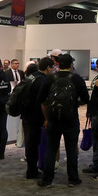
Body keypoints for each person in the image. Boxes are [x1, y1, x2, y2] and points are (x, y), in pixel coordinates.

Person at [37, 53, 89, 188]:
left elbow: (41, 100)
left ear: (58, 65)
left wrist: (47, 118)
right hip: (71, 119)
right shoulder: (77, 79)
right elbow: (85, 99)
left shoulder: (50, 78)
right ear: (71, 65)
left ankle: (47, 180)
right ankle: (73, 179)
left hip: (53, 119)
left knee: (51, 149)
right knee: (71, 149)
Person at [22, 57, 54, 179]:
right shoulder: (44, 81)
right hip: (37, 116)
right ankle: (32, 170)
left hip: (27, 115)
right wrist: (46, 118)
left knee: (30, 143)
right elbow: (43, 101)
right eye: (52, 67)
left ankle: (31, 169)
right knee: (35, 144)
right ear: (48, 68)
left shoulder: (31, 77)